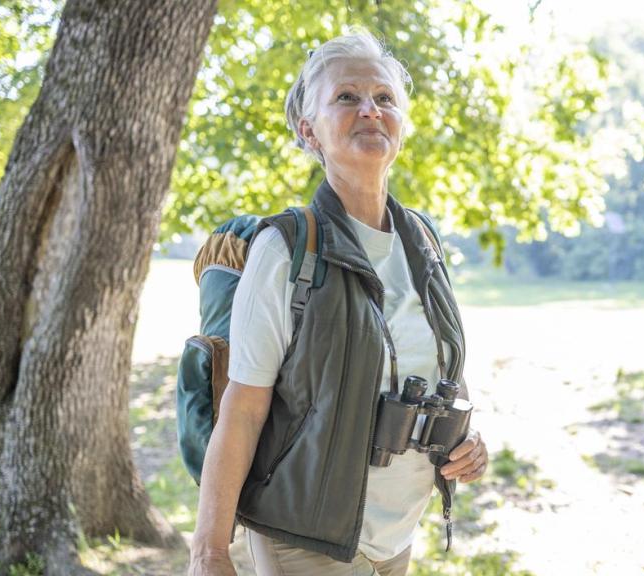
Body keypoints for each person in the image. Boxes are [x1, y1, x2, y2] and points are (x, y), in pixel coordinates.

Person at [188, 32, 488, 576]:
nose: (371, 109)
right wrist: (209, 551)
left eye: (385, 98)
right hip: (307, 538)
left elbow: (440, 362)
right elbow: (245, 405)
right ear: (310, 132)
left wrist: (470, 442)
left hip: (396, 534)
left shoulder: (421, 239)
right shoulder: (287, 247)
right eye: (346, 97)